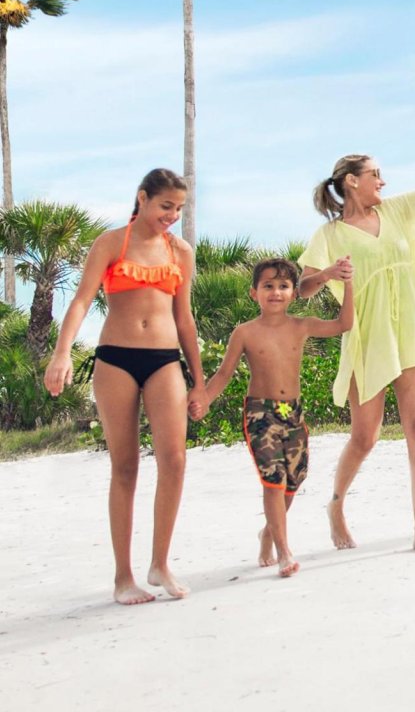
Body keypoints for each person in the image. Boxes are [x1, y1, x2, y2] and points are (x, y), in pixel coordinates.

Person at [298, 144, 415, 553]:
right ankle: (337, 507)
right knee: (365, 437)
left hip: (412, 329)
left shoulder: (396, 210)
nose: (383, 180)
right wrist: (329, 273)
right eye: (375, 173)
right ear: (351, 181)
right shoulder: (329, 234)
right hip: (368, 336)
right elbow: (304, 289)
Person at [44, 167, 207, 604]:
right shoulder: (111, 242)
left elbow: (184, 318)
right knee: (126, 466)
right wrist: (62, 353)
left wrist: (200, 381)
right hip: (116, 358)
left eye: (179, 208)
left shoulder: (181, 252)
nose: (171, 215)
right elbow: (81, 300)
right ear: (142, 198)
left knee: (173, 459)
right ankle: (123, 577)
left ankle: (160, 563)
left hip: (164, 360)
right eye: (165, 206)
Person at [199, 256, 355, 577]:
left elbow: (344, 324)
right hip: (261, 413)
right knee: (273, 480)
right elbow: (224, 374)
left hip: (292, 413)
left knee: (293, 481)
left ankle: (268, 534)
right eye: (268, 286)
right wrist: (203, 399)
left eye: (284, 286)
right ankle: (284, 552)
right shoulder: (244, 333)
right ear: (253, 293)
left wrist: (345, 281)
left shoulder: (301, 325)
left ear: (294, 293)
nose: (276, 292)